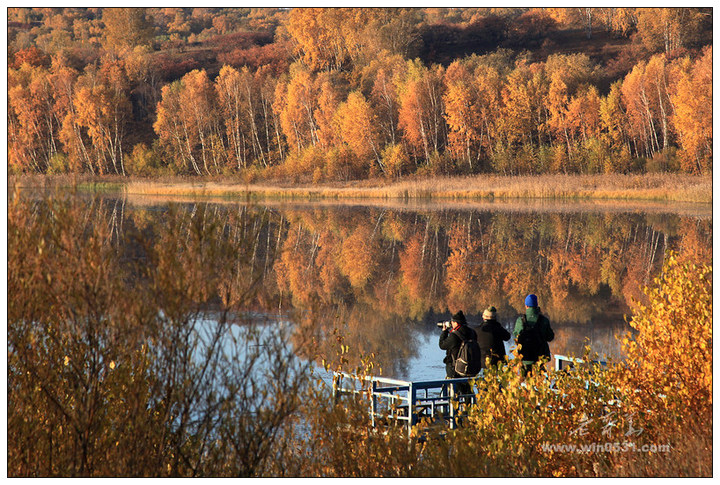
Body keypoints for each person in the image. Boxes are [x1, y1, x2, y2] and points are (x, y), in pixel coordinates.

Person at [513, 294, 554, 375]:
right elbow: (550, 337)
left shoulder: (520, 320)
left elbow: (516, 336)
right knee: (539, 383)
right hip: (540, 358)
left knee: (525, 383)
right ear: (536, 305)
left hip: (524, 358)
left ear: (526, 306)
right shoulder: (544, 320)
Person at [439, 310, 476, 397]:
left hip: (455, 368)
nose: (451, 323)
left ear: (456, 323)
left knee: (454, 391)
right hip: (470, 367)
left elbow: (442, 345)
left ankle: (453, 408)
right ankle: (469, 407)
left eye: (452, 322)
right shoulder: (472, 332)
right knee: (468, 390)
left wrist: (444, 332)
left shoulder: (454, 335)